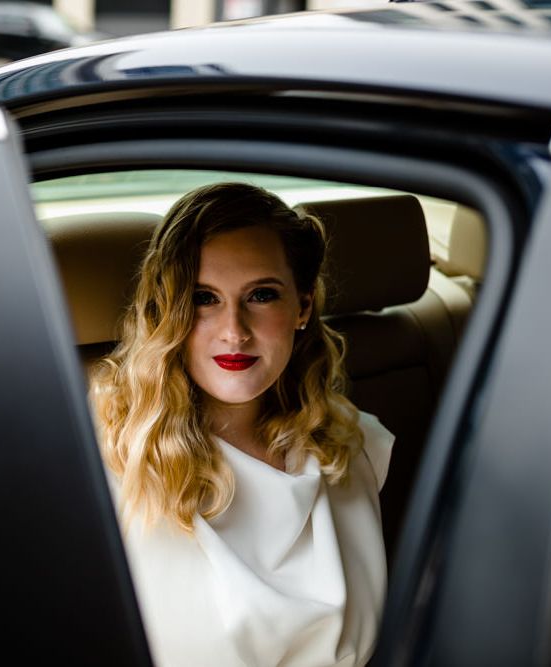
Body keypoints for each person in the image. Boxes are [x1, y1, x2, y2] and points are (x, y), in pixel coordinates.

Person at [90, 182, 394, 667]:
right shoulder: (104, 458)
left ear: (303, 306)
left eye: (261, 294)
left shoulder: (349, 442)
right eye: (204, 298)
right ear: (166, 311)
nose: (234, 330)